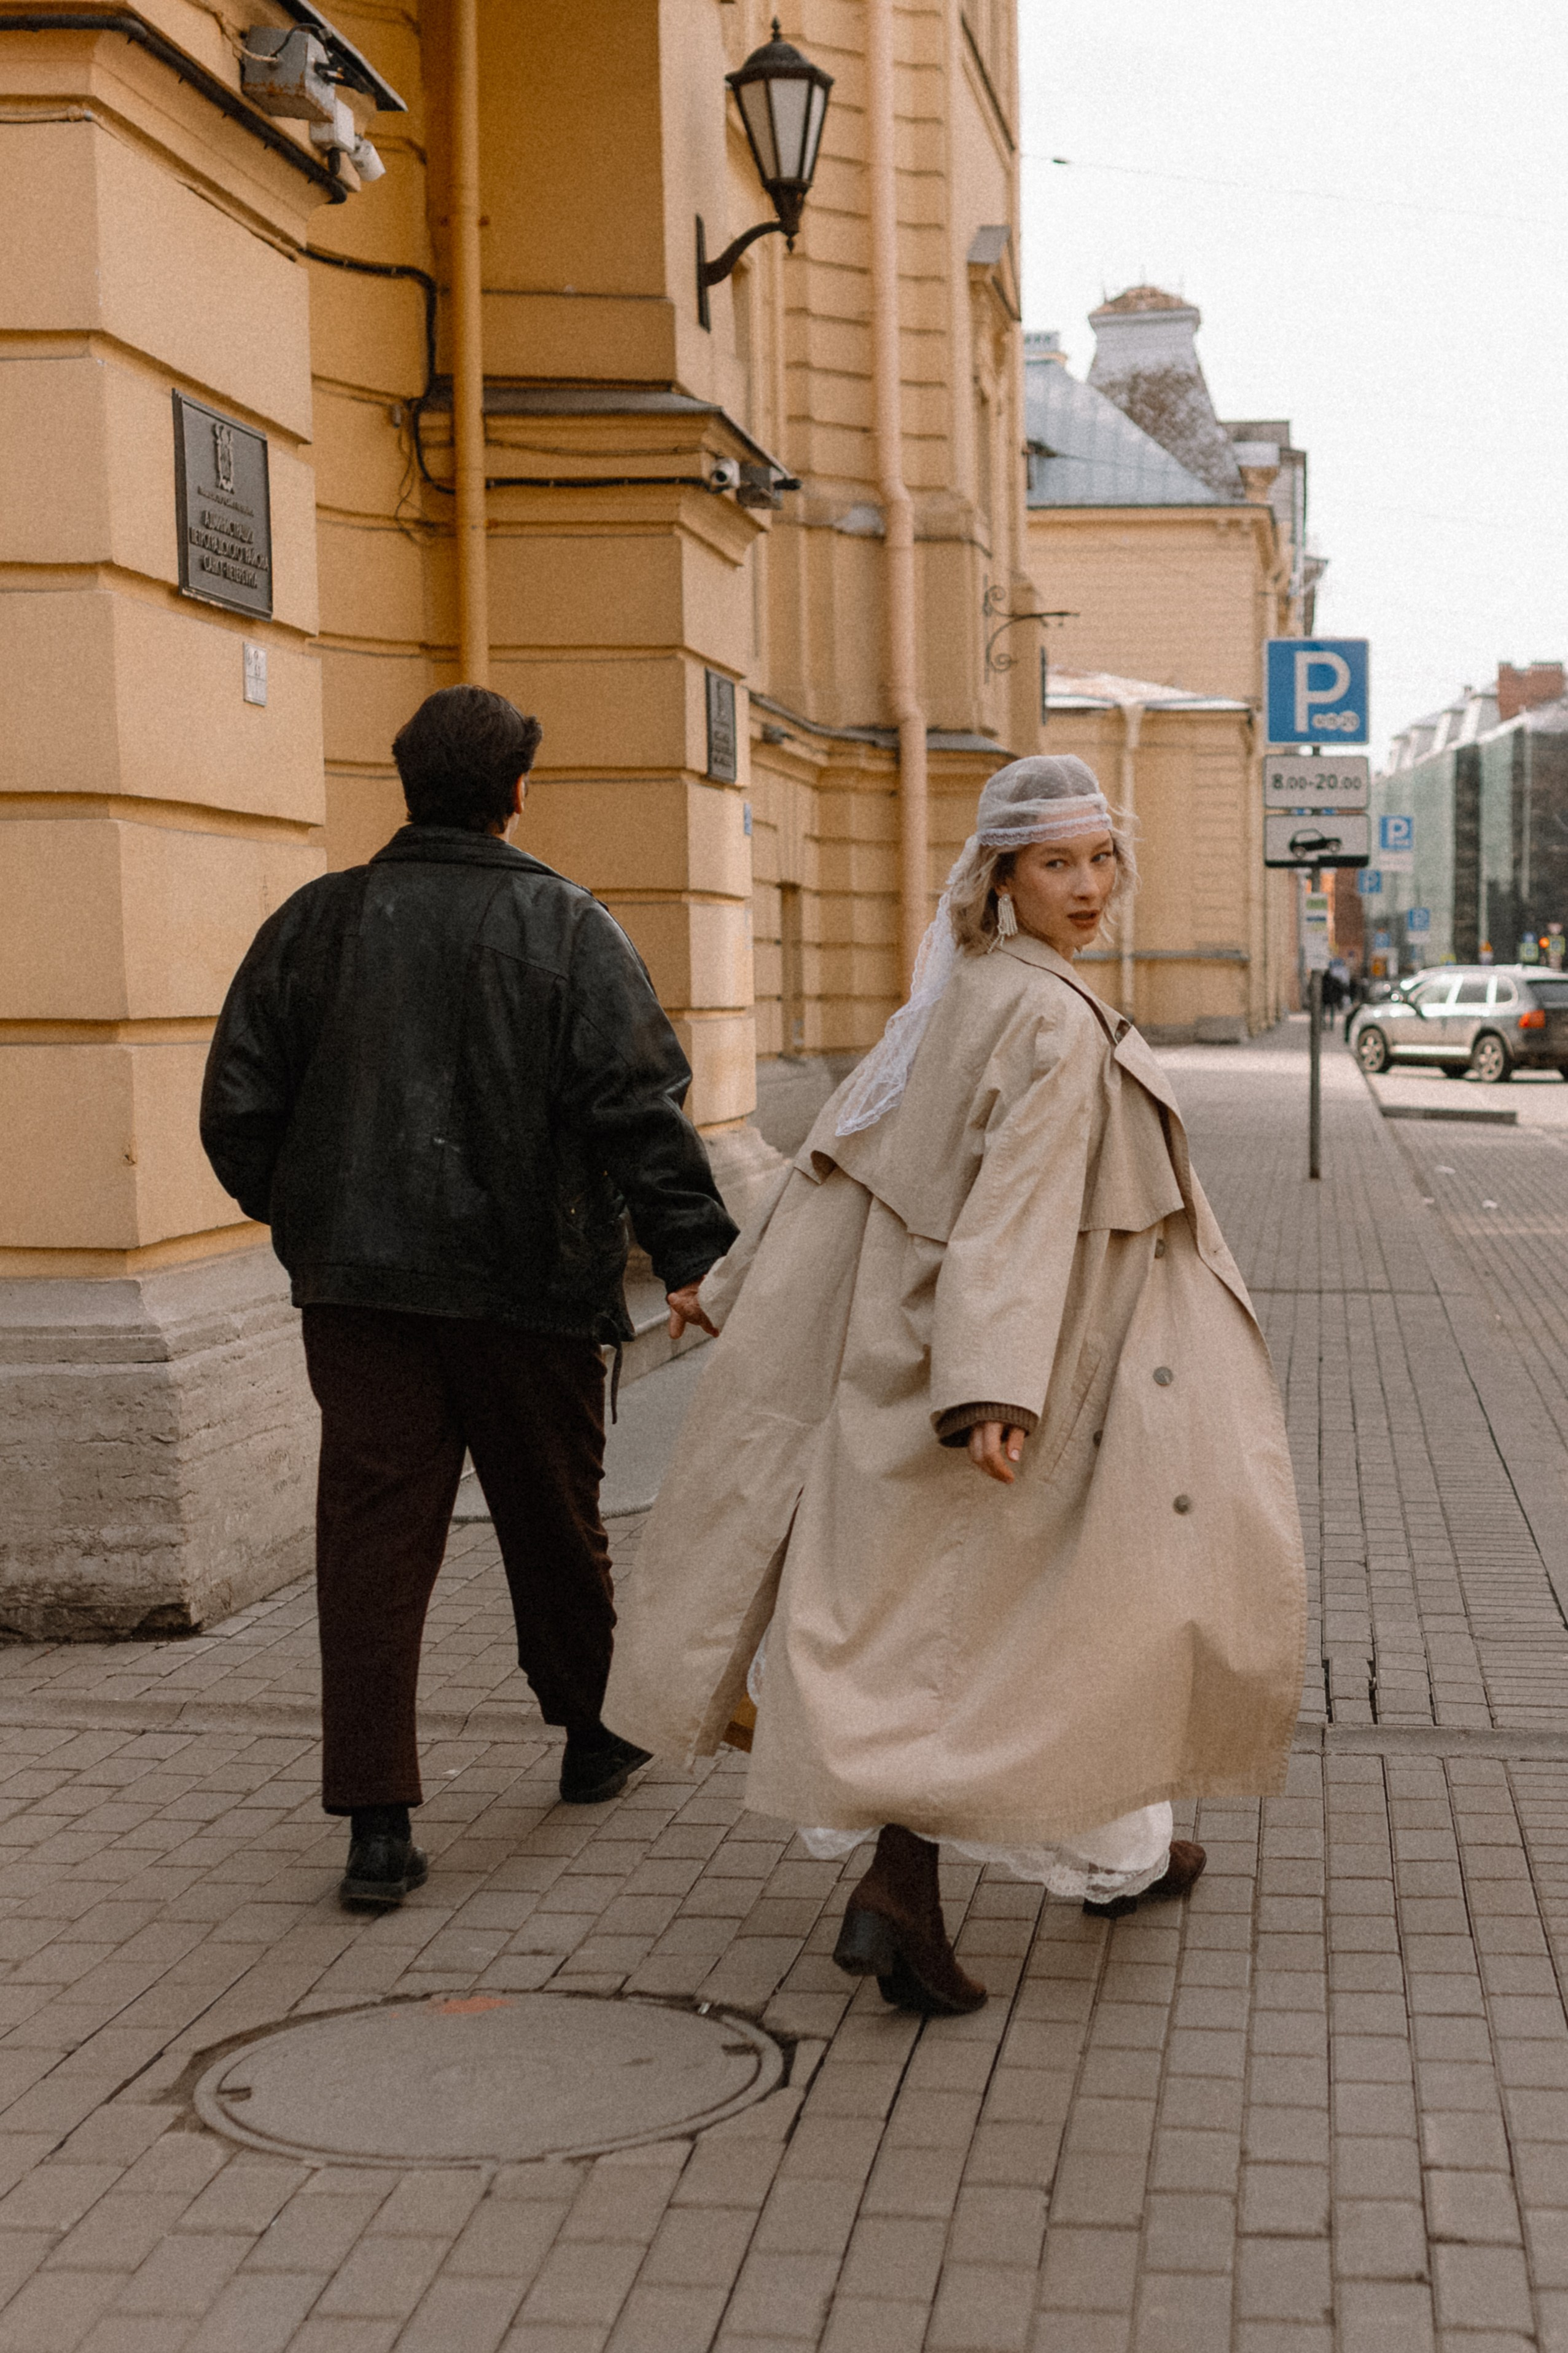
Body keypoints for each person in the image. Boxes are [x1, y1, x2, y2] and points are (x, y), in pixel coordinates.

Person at [604, 755, 1305, 2014]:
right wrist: (996, 1390)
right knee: (1046, 1616)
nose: (1086, 887)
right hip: (1029, 1365)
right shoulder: (1045, 1019)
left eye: (1099, 860)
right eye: (1056, 864)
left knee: (1004, 1620)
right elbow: (1015, 1217)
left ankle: (1114, 1852)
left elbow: (831, 1158)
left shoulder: (954, 995)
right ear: (1001, 877)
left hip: (921, 1350)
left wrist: (738, 1281)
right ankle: (912, 1883)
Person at [201, 686, 737, 1906]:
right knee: (553, 1516)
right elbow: (634, 1102)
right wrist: (692, 1247)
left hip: (362, 1294)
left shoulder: (311, 924)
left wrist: (310, 1221)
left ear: (407, 786)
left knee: (372, 1537)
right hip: (528, 1284)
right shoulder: (565, 926)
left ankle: (376, 1820)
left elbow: (238, 1107)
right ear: (514, 791)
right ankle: (592, 1733)